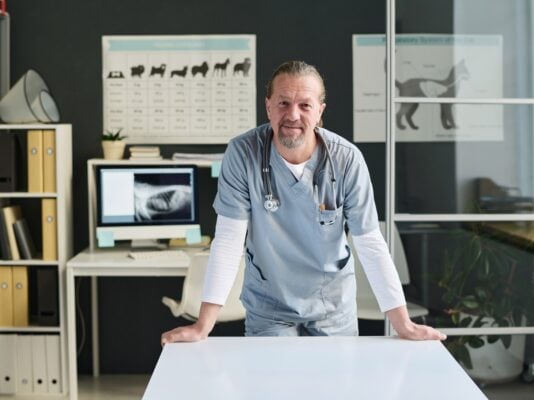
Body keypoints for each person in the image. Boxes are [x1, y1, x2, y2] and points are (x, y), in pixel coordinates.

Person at [161, 60, 446, 342]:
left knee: (333, 387)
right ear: (268, 106)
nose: (293, 115)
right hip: (269, 305)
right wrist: (203, 325)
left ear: (320, 111)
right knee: (273, 386)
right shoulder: (243, 153)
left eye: (305, 105)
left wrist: (403, 324)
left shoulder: (346, 160)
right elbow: (228, 240)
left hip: (332, 306)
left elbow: (369, 243)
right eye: (283, 103)